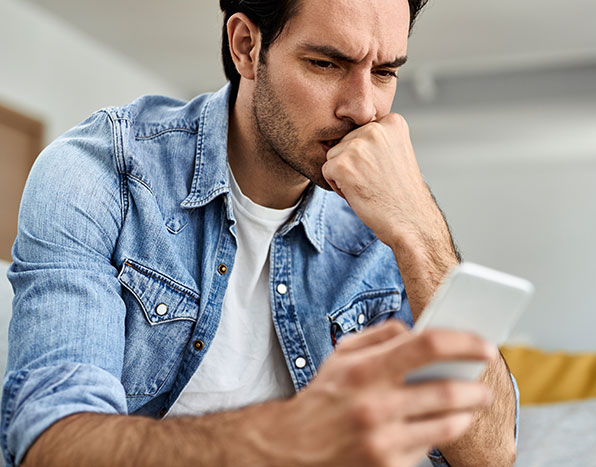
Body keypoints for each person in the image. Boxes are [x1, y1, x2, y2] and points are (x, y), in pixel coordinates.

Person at [1, 0, 519, 465]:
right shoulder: (100, 172)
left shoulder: (384, 215)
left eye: (384, 73)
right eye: (326, 64)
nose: (363, 110)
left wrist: (418, 229)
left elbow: (489, 455)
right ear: (246, 46)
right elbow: (50, 444)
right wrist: (296, 435)